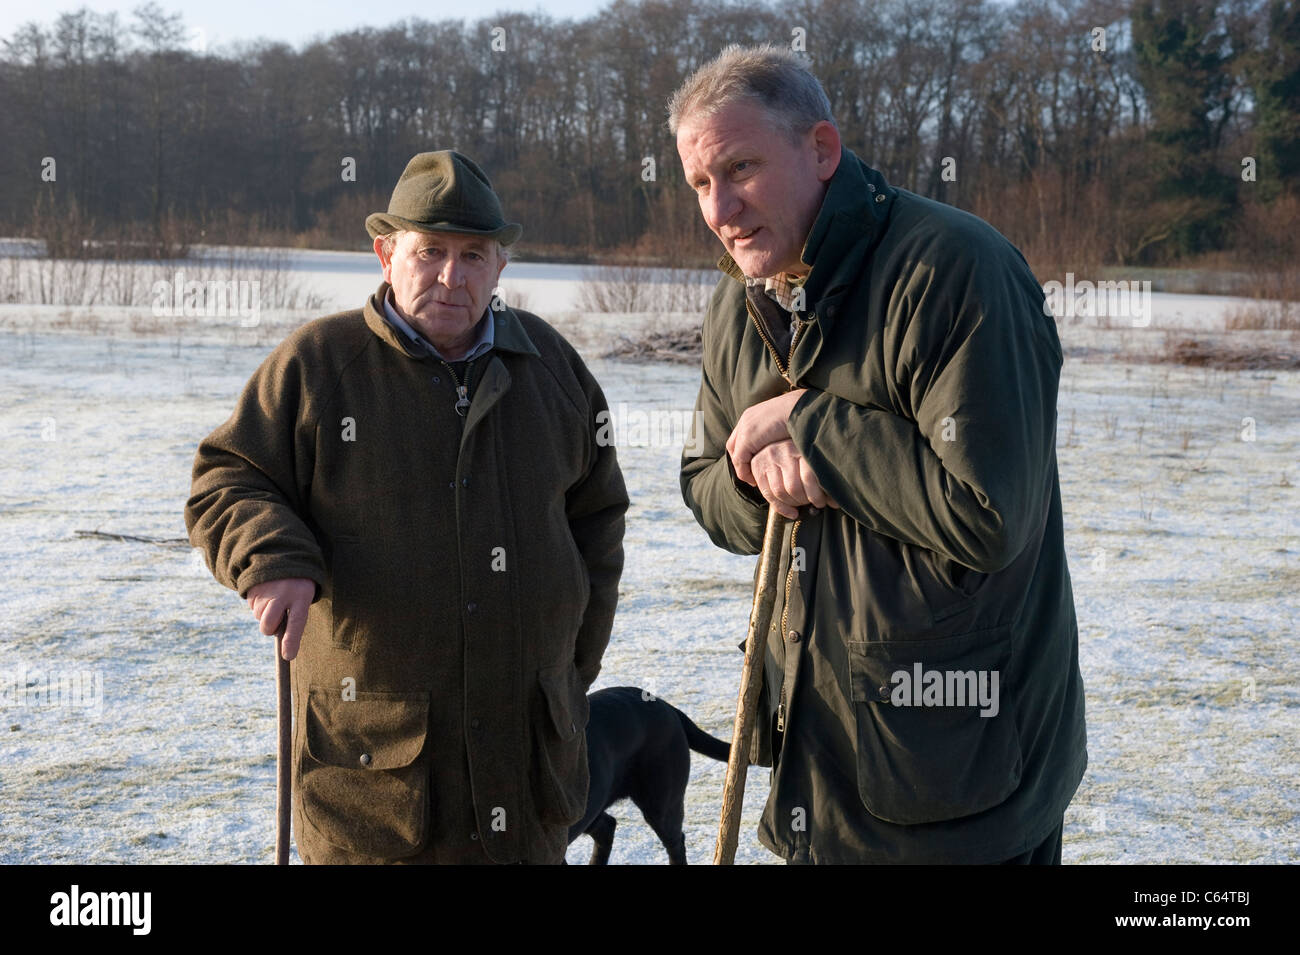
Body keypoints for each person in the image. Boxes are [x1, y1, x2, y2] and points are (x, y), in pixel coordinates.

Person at [671, 45, 1087, 864]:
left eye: (740, 168)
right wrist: (761, 476)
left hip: (965, 787)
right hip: (817, 776)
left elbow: (990, 514)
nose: (719, 208)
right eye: (698, 185)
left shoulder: (957, 271)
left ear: (821, 150)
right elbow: (703, 487)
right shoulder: (740, 298)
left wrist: (813, 426)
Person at [185, 150, 628, 864]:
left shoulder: (553, 369)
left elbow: (599, 522)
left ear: (500, 268)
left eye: (473, 255)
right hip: (374, 785)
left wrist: (570, 671)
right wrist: (272, 558)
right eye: (430, 252)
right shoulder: (319, 364)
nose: (452, 276)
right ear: (385, 253)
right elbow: (229, 475)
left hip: (527, 768)